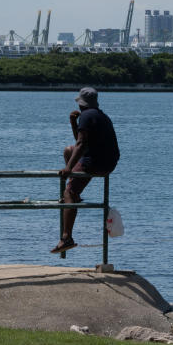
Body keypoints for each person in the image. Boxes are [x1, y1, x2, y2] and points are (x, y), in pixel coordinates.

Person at [52, 87, 120, 254]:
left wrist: (68, 169)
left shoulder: (86, 116)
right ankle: (74, 194)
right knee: (69, 150)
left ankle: (66, 237)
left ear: (81, 103)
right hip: (108, 162)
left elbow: (82, 145)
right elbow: (80, 142)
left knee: (68, 192)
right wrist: (73, 123)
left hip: (96, 163)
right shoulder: (99, 115)